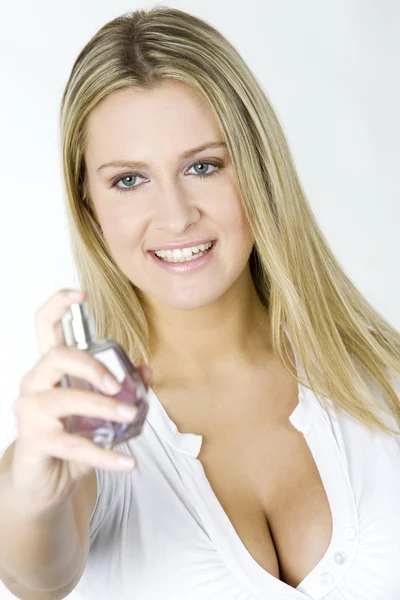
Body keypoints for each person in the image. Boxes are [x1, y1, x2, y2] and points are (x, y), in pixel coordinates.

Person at [1, 6, 400, 600]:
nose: (175, 216)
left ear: (259, 169)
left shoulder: (382, 379)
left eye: (203, 166)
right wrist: (33, 491)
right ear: (89, 201)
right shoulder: (88, 425)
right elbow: (35, 573)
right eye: (129, 180)